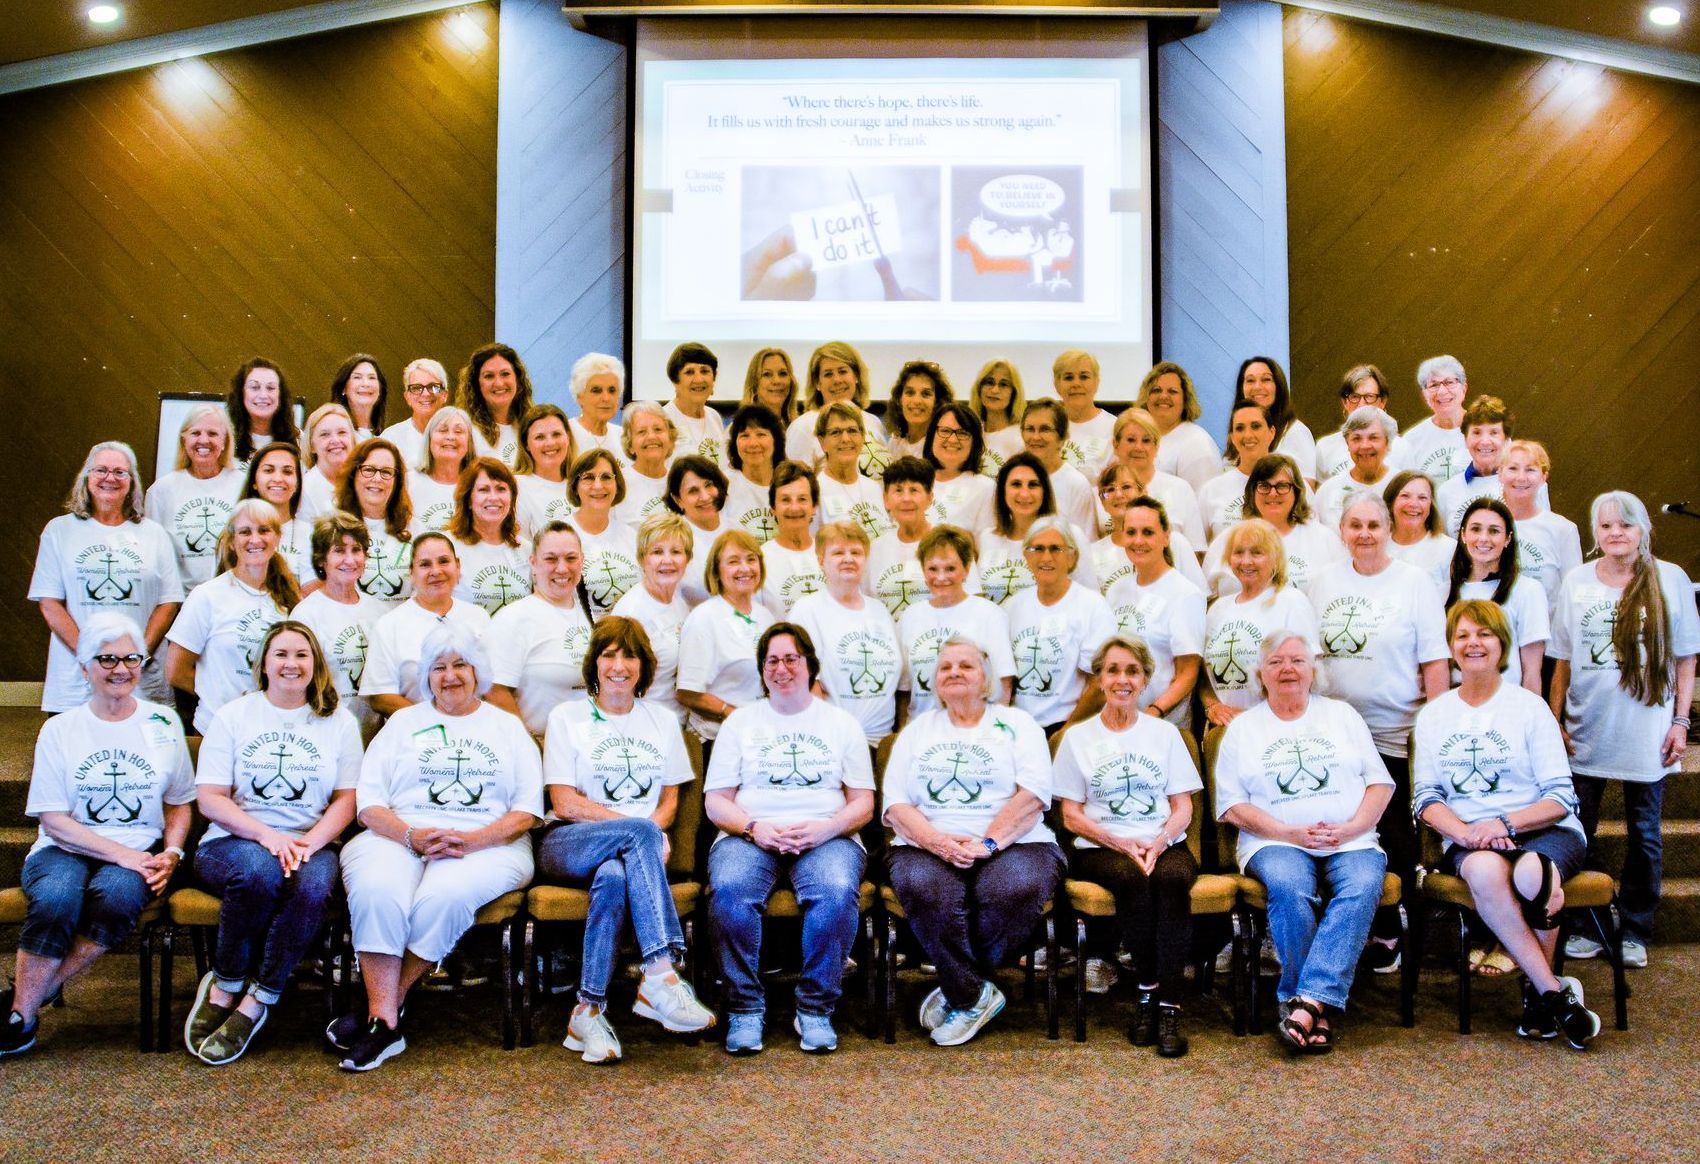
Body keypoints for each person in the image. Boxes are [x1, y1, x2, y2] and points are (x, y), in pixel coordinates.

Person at [330, 621, 543, 1071]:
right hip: (399, 834)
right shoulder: (403, 723)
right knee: (377, 890)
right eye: (438, 667)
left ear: (478, 671)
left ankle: (380, 1012)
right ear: (426, 676)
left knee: (441, 897)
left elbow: (527, 811)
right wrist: (411, 835)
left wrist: (472, 840)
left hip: (490, 843)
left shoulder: (507, 727)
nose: (450, 676)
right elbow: (369, 803)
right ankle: (386, 1022)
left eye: (460, 664)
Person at [1, 615, 193, 1058]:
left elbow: (179, 802)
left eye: (131, 658)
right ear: (85, 665)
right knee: (56, 897)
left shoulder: (163, 722)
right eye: (107, 658)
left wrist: (174, 851)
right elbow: (53, 817)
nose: (120, 668)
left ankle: (30, 996)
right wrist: (123, 854)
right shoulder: (61, 729)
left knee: (120, 897)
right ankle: (24, 1017)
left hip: (141, 849)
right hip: (64, 846)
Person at [1413, 600, 1600, 1048]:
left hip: (1543, 828)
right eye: (1463, 635)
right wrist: (1464, 833)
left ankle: (1540, 995)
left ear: (1502, 644)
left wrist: (1503, 823)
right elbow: (1426, 798)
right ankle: (1552, 993)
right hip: (1470, 837)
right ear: (1451, 646)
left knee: (1535, 871)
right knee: (1482, 869)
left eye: (1484, 634)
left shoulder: (1529, 707)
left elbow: (1560, 796)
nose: (1473, 643)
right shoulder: (1435, 714)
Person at [539, 616, 716, 1063]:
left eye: (629, 655)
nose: (619, 665)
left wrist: (645, 834)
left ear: (644, 665)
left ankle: (588, 1010)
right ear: (594, 663)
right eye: (609, 654)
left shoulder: (660, 720)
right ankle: (660, 974)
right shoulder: (566, 716)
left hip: (628, 856)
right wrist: (643, 832)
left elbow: (670, 800)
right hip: (568, 842)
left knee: (615, 878)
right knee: (635, 835)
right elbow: (564, 801)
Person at [184, 621, 361, 1064]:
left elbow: (347, 799)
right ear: (263, 663)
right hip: (233, 839)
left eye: (302, 655)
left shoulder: (337, 722)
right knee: (259, 871)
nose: (291, 664)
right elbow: (210, 799)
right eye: (281, 654)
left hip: (311, 841)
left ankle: (259, 999)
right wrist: (267, 836)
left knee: (314, 887)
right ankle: (225, 983)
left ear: (315, 664)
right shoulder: (233, 716)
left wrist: (309, 843)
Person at [1214, 632, 1392, 1053]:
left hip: (1350, 838)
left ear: (1313, 669)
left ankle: (1304, 1001)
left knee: (1362, 885)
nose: (1287, 669)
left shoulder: (1342, 716)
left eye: (1297, 660)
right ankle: (1317, 1006)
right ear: (1261, 673)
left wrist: (1353, 827)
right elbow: (1231, 806)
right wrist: (1286, 832)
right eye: (1276, 662)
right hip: (1272, 841)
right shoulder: (1243, 730)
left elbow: (1380, 784)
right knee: (1290, 888)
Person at [884, 637, 1065, 1046]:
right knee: (925, 886)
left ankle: (956, 987)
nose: (954, 673)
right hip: (926, 843)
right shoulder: (916, 732)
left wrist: (987, 843)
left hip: (1017, 841)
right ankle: (972, 993)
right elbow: (896, 804)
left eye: (966, 666)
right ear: (935, 682)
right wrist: (938, 843)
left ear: (986, 680)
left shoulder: (1019, 725)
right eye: (945, 667)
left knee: (1015, 886)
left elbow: (1033, 796)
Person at [705, 623, 877, 1054]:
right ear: (762, 671)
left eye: (791, 659)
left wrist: (827, 827)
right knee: (730, 891)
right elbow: (716, 802)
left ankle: (815, 1008)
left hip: (828, 835)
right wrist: (753, 828)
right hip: (749, 834)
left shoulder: (841, 724)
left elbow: (863, 804)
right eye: (772, 661)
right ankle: (745, 1009)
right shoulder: (740, 723)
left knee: (837, 892)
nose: (781, 669)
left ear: (809, 665)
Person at [1552, 491, 1699, 970]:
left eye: (1626, 525)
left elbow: (1685, 658)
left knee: (1646, 834)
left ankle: (1635, 928)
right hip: (1586, 726)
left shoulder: (1669, 579)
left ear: (1643, 531)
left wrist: (1681, 720)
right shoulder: (1576, 581)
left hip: (1648, 731)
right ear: (1595, 533)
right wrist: (1555, 721)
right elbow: (1562, 661)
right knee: (1580, 831)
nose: (1616, 533)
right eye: (1606, 526)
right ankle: (1587, 924)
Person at [1308, 493, 1449, 969]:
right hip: (1336, 734)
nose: (1364, 533)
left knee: (1392, 834)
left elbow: (1434, 659)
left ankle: (1392, 930)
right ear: (1342, 531)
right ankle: (1342, 928)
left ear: (1389, 529)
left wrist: (1435, 724)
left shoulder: (1414, 583)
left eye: (1373, 524)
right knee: (1339, 832)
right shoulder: (1322, 582)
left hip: (1395, 729)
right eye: (1355, 525)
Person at [1054, 636, 1202, 1056]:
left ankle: (1168, 1005)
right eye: (1114, 670)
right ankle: (1148, 990)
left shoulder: (1166, 734)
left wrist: (1158, 840)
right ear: (1100, 679)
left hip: (1161, 840)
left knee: (1172, 878)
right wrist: (1119, 841)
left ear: (1145, 680)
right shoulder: (1078, 738)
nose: (1123, 679)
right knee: (1131, 876)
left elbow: (1182, 807)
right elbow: (1071, 815)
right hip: (1100, 844)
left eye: (1132, 671)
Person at [32, 441, 182, 712]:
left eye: (120, 472)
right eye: (100, 470)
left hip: (141, 671)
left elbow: (169, 602)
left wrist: (135, 657)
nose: (109, 478)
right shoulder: (59, 530)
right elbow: (49, 602)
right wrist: (89, 656)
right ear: (86, 477)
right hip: (77, 672)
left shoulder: (154, 534)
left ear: (132, 482)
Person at [166, 499, 299, 735]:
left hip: (270, 730)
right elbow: (176, 671)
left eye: (264, 530)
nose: (255, 540)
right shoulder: (207, 596)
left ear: (278, 537)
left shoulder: (290, 601)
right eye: (245, 532)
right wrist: (216, 696)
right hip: (215, 729)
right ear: (231, 541)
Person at [790, 522, 901, 745]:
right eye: (838, 552)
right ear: (821, 560)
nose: (848, 558)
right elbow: (805, 681)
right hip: (836, 740)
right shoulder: (807, 610)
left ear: (866, 559)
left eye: (856, 552)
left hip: (883, 740)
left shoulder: (879, 610)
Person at [360, 532, 494, 717]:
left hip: (474, 727)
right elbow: (380, 696)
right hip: (417, 733)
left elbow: (493, 685)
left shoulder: (479, 617)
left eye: (443, 561)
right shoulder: (389, 625)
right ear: (412, 573)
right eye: (425, 564)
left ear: (458, 566)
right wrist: (431, 720)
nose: (436, 571)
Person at [1200, 519, 1319, 726]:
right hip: (1226, 729)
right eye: (1238, 552)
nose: (1246, 561)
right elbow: (1202, 675)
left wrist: (1258, 718)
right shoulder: (1217, 609)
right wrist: (1212, 706)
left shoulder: (1292, 601)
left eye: (1257, 553)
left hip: (1276, 725)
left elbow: (1308, 674)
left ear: (1275, 558)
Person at [896, 526, 1017, 725]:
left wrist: (993, 731)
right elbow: (904, 690)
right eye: (932, 569)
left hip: (975, 729)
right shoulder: (910, 617)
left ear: (967, 569)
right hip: (922, 728)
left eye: (950, 568)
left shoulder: (989, 614)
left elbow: (1004, 683)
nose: (941, 577)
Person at [1004, 518, 1115, 732]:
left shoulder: (1092, 607)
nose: (1046, 557)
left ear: (1072, 556)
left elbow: (1100, 683)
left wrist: (1067, 731)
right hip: (1019, 728)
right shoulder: (1012, 606)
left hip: (1069, 726)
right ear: (1026, 555)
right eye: (1038, 549)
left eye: (1056, 549)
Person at [1103, 497, 1205, 726]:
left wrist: (1152, 713)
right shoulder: (1116, 590)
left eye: (1148, 532)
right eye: (1131, 532)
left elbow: (1188, 673)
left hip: (1162, 724)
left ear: (1166, 536)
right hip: (1118, 720)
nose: (1138, 541)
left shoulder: (1185, 594)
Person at [486, 521, 595, 736]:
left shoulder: (590, 616)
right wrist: (529, 745)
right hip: (540, 746)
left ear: (582, 561)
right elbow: (495, 692)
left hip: (588, 744)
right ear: (533, 563)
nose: (562, 568)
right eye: (551, 559)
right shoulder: (513, 619)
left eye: (571, 558)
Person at [676, 529, 779, 747]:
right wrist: (730, 712)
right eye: (733, 561)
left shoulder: (765, 616)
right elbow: (687, 692)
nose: (745, 568)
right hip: (718, 740)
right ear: (716, 571)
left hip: (761, 735)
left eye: (751, 559)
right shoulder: (704, 618)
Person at [291, 514, 386, 739]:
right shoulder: (306, 614)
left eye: (356, 550)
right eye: (339, 551)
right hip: (323, 733)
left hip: (372, 735)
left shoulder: (380, 611)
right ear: (322, 560)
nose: (350, 560)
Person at [1203, 454, 1343, 598]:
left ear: (1297, 491)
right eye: (1264, 486)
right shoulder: (1227, 540)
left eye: (1282, 486)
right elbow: (1208, 598)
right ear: (1252, 492)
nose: (1273, 493)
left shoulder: (1324, 539)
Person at [1444, 498, 1548, 694]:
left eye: (1494, 531)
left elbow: (1532, 673)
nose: (1483, 538)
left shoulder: (1527, 590)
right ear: (1463, 535)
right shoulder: (1444, 592)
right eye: (1475, 529)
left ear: (1508, 539)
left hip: (1508, 706)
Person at [147, 404, 245, 593]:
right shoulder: (161, 491)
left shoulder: (243, 484)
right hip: (181, 602)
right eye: (195, 433)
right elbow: (155, 558)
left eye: (213, 434)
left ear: (225, 440)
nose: (203, 440)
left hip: (233, 595)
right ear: (184, 440)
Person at [980, 452, 1095, 606]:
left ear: (1045, 491)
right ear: (1002, 491)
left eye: (1033, 485)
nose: (1025, 493)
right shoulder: (987, 538)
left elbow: (1091, 599)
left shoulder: (1071, 535)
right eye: (1016, 484)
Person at [612, 514, 695, 716]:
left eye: (676, 552)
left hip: (679, 724)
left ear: (688, 558)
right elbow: (616, 689)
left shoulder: (679, 600)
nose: (667, 560)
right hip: (644, 725)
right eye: (657, 552)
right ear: (642, 558)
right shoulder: (631, 614)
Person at [1089, 460, 1206, 594]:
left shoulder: (1175, 543)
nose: (1118, 494)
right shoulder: (1093, 554)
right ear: (1102, 502)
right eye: (1109, 490)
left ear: (1142, 492)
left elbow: (1199, 598)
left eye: (1126, 487)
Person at [1500, 440, 1580, 618]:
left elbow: (1573, 595)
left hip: (1547, 638)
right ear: (1500, 473)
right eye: (1513, 468)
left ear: (1544, 476)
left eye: (1530, 470)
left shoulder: (1563, 530)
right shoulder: (1485, 525)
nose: (1521, 477)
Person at [1434, 396, 1535, 534]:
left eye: (1494, 433)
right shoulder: (1446, 492)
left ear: (1506, 439)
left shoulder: (1529, 485)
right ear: (1465, 439)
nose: (1485, 441)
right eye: (1476, 432)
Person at [784, 341, 888, 475]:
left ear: (856, 376)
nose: (837, 380)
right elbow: (796, 486)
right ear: (817, 383)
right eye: (828, 374)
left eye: (843, 371)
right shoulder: (803, 427)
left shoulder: (874, 422)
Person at [1108, 408, 1206, 546]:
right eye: (1131, 440)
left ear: (1156, 447)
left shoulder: (1180, 489)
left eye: (1146, 440)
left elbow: (1196, 552)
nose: (1138, 447)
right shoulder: (1100, 493)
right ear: (1115, 445)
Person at [446, 458, 530, 616]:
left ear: (512, 498)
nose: (493, 497)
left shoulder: (526, 549)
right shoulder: (447, 547)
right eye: (484, 490)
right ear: (468, 500)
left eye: (501, 489)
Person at [865, 456, 947, 619]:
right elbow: (867, 606)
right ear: (886, 500)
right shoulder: (874, 549)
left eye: (914, 490)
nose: (906, 498)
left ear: (929, 498)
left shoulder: (949, 543)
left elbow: (968, 604)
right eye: (898, 490)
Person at [336, 438, 413, 607]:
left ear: (396, 481)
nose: (377, 479)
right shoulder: (334, 528)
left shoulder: (416, 529)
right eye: (369, 470)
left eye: (386, 472)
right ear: (353, 474)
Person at [566, 449, 639, 620]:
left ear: (617, 484)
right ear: (575, 486)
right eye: (588, 477)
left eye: (606, 477)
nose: (598, 485)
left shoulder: (632, 536)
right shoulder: (560, 536)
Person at [814, 402, 893, 542]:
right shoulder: (816, 491)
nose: (845, 439)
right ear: (822, 442)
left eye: (852, 430)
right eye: (835, 432)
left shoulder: (873, 487)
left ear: (862, 437)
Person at [1135, 362, 1219, 493]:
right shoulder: (1137, 438)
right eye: (1156, 390)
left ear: (1185, 400)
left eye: (1172, 391)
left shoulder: (1197, 442)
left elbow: (1204, 503)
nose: (1163, 396)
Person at [1197, 404, 1276, 541]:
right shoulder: (1211, 490)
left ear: (1272, 432)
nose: (1248, 435)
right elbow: (1200, 550)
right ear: (1232, 438)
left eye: (1256, 426)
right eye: (1240, 428)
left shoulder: (1293, 485)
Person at [241, 442, 315, 588]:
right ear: (254, 482)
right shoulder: (237, 534)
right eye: (268, 470)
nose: (278, 478)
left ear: (297, 483)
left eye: (287, 472)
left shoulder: (312, 534)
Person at [1234, 356, 1317, 485]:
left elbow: (1307, 490)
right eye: (1250, 381)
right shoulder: (1237, 433)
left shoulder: (1296, 432)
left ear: (1278, 385)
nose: (1257, 386)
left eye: (1266, 379)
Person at [1313, 406, 1399, 529]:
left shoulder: (1403, 488)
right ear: (1347, 444)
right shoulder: (1327, 491)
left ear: (1387, 443)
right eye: (1356, 438)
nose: (1364, 446)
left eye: (1373, 437)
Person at [1019, 399, 1097, 534]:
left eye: (1045, 429)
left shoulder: (1076, 484)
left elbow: (1086, 543)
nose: (1035, 437)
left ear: (1062, 437)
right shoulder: (1011, 479)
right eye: (1030, 429)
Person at [759, 461, 827, 613]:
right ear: (773, 508)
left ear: (814, 505)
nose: (794, 507)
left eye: (802, 499)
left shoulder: (829, 553)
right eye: (785, 500)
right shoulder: (760, 559)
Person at [665, 454, 730, 605]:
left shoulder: (737, 529)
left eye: (708, 485)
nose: (705, 496)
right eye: (693, 491)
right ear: (677, 499)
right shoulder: (673, 541)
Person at [1316, 365, 1399, 482]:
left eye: (1369, 397)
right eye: (1354, 397)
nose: (1361, 404)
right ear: (1345, 402)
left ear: (1382, 402)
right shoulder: (1325, 448)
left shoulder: (1401, 447)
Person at [458, 342, 534, 466]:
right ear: (476, 384)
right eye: (489, 376)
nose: (498, 383)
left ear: (517, 379)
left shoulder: (533, 426)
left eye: (505, 374)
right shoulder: (466, 431)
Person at [923, 403, 995, 533]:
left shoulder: (985, 488)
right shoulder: (915, 478)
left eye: (962, 433)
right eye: (945, 431)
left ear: (975, 443)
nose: (952, 439)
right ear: (931, 435)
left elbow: (986, 545)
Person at [408, 406, 478, 535]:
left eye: (459, 431)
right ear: (429, 439)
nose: (451, 437)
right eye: (443, 430)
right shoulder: (407, 483)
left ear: (469, 443)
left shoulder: (479, 486)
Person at [1383, 470, 1453, 599]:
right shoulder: (1378, 546)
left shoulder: (1449, 548)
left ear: (1431, 506)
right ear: (1390, 502)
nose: (1413, 504)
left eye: (1422, 498)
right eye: (1405, 496)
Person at [513, 403, 579, 537]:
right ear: (526, 445)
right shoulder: (516, 488)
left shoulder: (583, 483)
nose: (550, 443)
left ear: (568, 437)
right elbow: (519, 548)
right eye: (540, 437)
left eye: (556, 434)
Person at [1401, 355, 1470, 483]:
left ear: (1464, 388)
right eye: (1433, 385)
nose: (1442, 391)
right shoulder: (1411, 440)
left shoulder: (1488, 430)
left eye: (1449, 382)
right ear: (1424, 394)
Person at [724, 404, 784, 542]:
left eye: (761, 434)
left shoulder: (789, 483)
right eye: (744, 435)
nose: (753, 443)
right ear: (735, 443)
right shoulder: (723, 484)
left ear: (776, 441)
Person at [1052, 350, 1115, 477]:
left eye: (1084, 377)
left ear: (1096, 382)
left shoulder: (1115, 428)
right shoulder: (1046, 426)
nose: (1076, 384)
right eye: (1068, 377)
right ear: (1057, 385)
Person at [379, 358, 451, 469]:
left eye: (433, 387)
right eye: (417, 388)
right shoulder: (391, 439)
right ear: (407, 397)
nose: (426, 394)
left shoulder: (462, 437)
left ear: (444, 395)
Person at [227, 356, 298, 467]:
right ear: (241, 393)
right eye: (254, 387)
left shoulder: (299, 441)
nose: (263, 395)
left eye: (270, 388)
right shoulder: (224, 437)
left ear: (281, 395)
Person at [614, 401, 674, 529]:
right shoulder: (617, 485)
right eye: (642, 432)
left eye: (658, 429)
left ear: (670, 439)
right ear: (630, 445)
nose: (651, 436)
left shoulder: (681, 481)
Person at [662, 342, 725, 463]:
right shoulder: (662, 419)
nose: (699, 379)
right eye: (689, 372)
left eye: (705, 371)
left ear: (714, 378)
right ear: (675, 380)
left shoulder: (714, 417)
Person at [967, 358, 1026, 477]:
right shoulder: (968, 432)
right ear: (979, 389)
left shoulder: (1021, 439)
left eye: (1003, 384)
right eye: (989, 382)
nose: (994, 390)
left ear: (1014, 393)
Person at [299, 403, 358, 522]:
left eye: (342, 432)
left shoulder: (364, 480)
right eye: (325, 434)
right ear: (312, 446)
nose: (335, 440)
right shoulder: (304, 491)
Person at [886, 360, 951, 461]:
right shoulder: (895, 442)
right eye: (910, 393)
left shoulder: (944, 446)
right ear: (899, 399)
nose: (916, 401)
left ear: (937, 402)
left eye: (926, 394)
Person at [568, 352, 627, 461]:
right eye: (596, 390)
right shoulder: (565, 434)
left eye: (612, 390)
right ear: (579, 397)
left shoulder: (624, 437)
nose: (606, 398)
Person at [328, 353, 388, 442]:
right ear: (343, 388)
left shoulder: (388, 437)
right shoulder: (333, 433)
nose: (366, 384)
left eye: (372, 378)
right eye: (357, 377)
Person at [741, 347, 800, 429]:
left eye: (782, 373)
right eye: (767, 374)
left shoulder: (800, 427)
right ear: (754, 384)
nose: (777, 381)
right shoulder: (740, 429)